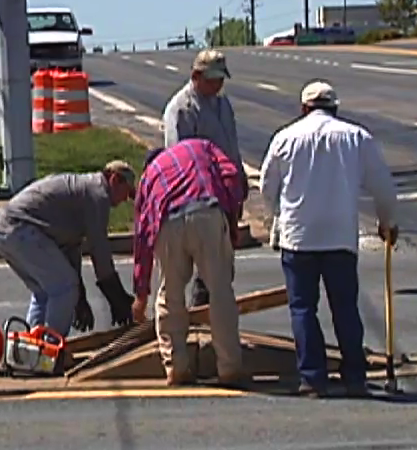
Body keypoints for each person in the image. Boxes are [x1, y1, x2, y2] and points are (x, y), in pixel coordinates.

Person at [259, 80, 399, 398]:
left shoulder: (285, 137)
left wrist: (277, 217)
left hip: (298, 237)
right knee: (345, 307)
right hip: (340, 237)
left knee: (303, 308)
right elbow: (382, 186)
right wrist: (387, 221)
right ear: (335, 108)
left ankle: (312, 377)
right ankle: (354, 377)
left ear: (304, 108)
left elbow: (267, 186)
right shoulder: (356, 137)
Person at [131, 139, 247, 387]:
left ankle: (177, 367)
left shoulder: (148, 178)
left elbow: (142, 236)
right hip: (206, 210)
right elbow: (231, 174)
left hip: (168, 220)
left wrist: (141, 294)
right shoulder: (201, 146)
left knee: (170, 295)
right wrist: (231, 219)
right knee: (220, 291)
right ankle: (229, 368)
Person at [0, 161, 138, 338]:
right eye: (126, 192)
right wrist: (117, 297)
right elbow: (100, 250)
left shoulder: (83, 192)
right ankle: (50, 351)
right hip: (19, 228)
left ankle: (29, 352)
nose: (125, 200)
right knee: (64, 289)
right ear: (114, 179)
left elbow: (69, 251)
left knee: (46, 292)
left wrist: (80, 300)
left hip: (2, 228)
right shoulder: (98, 195)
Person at [161, 49, 249, 307]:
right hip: (200, 199)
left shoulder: (223, 104)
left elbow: (231, 145)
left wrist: (239, 182)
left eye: (221, 79)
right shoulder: (182, 109)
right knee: (205, 269)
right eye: (212, 80)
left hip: (225, 194)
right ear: (196, 76)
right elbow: (179, 158)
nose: (218, 85)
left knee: (223, 266)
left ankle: (213, 321)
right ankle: (201, 321)